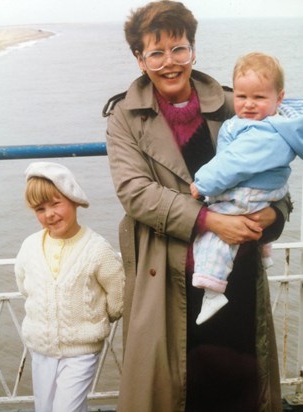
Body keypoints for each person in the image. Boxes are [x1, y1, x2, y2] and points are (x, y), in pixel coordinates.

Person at [103, 2, 292, 411]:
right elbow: (135, 192)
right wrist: (209, 220)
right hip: (165, 277)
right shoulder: (125, 117)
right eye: (156, 52)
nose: (169, 63)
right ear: (140, 59)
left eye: (179, 49)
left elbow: (277, 181)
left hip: (235, 272)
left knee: (239, 384)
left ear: (193, 50)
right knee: (179, 391)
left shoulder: (234, 104)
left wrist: (272, 215)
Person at [190, 52, 303, 325]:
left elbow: (233, 164)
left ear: (279, 97)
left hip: (250, 193)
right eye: (241, 97)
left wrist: (201, 184)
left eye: (259, 98)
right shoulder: (274, 123)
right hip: (264, 193)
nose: (249, 105)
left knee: (214, 238)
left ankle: (212, 288)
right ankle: (264, 253)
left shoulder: (262, 132)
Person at [15, 161, 125, 412]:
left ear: (74, 199)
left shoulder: (96, 249)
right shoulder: (29, 247)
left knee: (68, 408)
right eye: (40, 209)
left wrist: (97, 318)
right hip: (41, 347)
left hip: (81, 350)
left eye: (56, 204)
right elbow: (24, 284)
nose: (49, 214)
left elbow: (117, 291)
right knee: (45, 407)